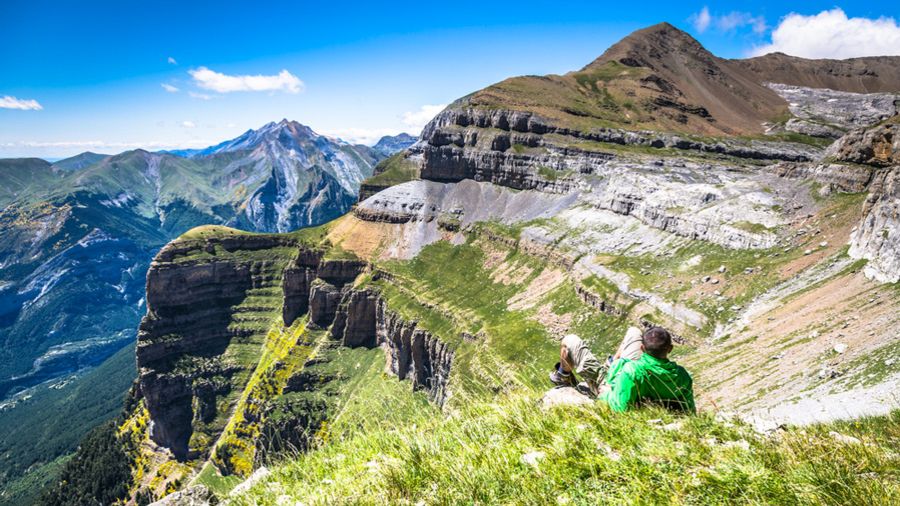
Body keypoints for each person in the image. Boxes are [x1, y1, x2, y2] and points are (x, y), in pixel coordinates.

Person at [549, 326, 695, 413]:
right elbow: (689, 409)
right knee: (634, 331)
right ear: (670, 349)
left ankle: (563, 375)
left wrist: (605, 393)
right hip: (629, 367)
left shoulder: (633, 371)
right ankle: (613, 362)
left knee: (570, 340)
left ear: (642, 348)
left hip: (607, 382)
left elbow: (619, 407)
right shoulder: (683, 375)